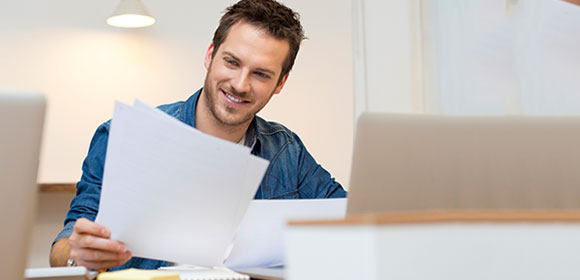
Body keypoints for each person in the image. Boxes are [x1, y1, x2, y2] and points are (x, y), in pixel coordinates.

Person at [49, 0, 346, 271]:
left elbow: (350, 218)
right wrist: (78, 255)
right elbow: (62, 249)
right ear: (210, 55)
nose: (240, 84)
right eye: (232, 62)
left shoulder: (287, 151)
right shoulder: (120, 136)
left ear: (280, 82)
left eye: (261, 74)